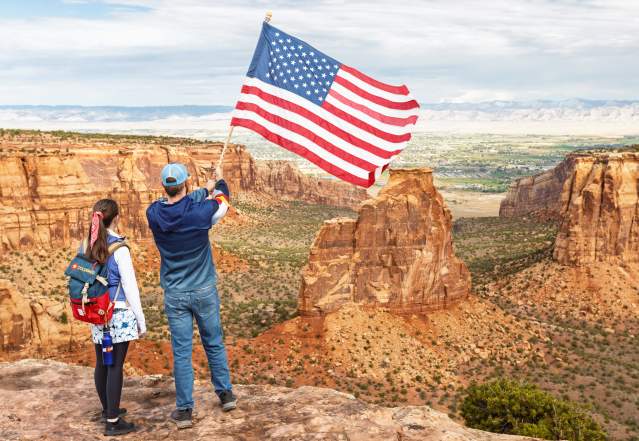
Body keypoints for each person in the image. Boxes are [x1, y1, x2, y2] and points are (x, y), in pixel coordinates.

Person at [146, 162, 235, 430]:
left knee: (182, 352)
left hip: (175, 293)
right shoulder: (201, 215)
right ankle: (226, 394)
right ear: (185, 184)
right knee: (214, 342)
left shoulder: (154, 214)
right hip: (204, 290)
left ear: (164, 187)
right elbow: (223, 202)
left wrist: (201, 189)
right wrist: (218, 182)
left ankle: (184, 410)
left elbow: (175, 204)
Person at [84, 199, 147, 437]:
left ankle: (107, 408)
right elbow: (130, 288)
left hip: (97, 313)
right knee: (115, 366)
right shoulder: (119, 248)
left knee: (102, 362)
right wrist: (140, 320)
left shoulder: (88, 244)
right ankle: (112, 421)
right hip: (118, 314)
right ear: (116, 218)